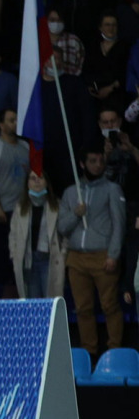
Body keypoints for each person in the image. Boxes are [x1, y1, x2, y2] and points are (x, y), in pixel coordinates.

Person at [58, 149, 126, 357]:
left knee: (109, 305)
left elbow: (119, 224)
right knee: (82, 308)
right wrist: (76, 214)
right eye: (92, 161)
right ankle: (89, 353)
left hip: (102, 255)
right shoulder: (71, 192)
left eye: (100, 161)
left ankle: (114, 352)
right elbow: (62, 227)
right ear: (82, 164)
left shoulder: (112, 189)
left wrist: (113, 254)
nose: (98, 165)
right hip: (76, 257)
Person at [0, 105, 30, 297]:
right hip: (5, 210)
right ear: (1, 125)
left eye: (17, 120)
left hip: (25, 209)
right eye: (11, 120)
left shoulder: (26, 147)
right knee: (6, 257)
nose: (15, 123)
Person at [12, 169, 65, 300]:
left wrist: (63, 254)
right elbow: (13, 234)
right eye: (32, 178)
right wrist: (14, 255)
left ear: (46, 182)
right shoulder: (20, 207)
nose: (37, 181)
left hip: (49, 259)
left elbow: (65, 234)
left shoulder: (57, 205)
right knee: (33, 302)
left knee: (50, 301)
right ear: (27, 183)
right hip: (28, 260)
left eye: (40, 178)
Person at [84, 12, 128, 106]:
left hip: (117, 94)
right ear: (100, 27)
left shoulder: (125, 47)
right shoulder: (93, 46)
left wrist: (111, 88)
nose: (111, 28)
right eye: (107, 25)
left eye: (114, 25)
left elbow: (126, 73)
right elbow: (86, 70)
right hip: (94, 94)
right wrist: (90, 87)